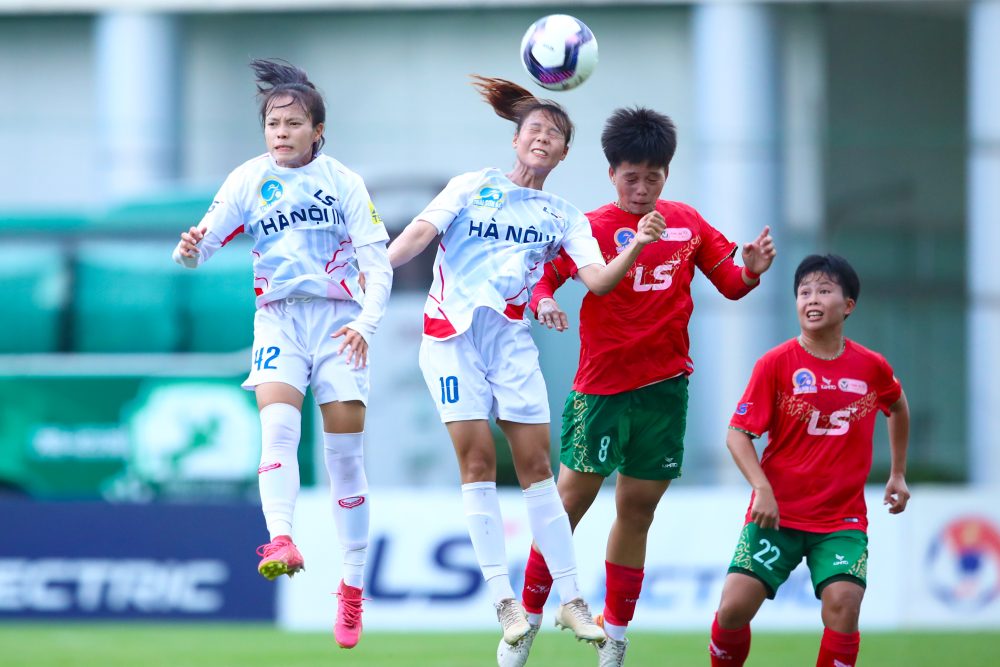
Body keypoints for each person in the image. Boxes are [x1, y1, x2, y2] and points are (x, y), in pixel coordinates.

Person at [387, 77, 666, 652]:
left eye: (554, 134)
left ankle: (572, 599)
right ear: (515, 140)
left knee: (538, 468)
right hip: (450, 337)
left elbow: (598, 281)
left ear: (564, 153)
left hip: (510, 343)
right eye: (534, 129)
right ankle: (504, 600)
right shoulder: (472, 186)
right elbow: (419, 233)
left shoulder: (564, 216)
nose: (542, 137)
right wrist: (371, 276)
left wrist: (636, 245)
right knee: (478, 461)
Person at [500, 107, 776, 667]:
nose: (643, 188)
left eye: (654, 177)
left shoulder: (687, 223)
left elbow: (730, 283)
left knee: (638, 511)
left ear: (666, 174)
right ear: (612, 174)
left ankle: (616, 638)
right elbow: (544, 277)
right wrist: (545, 301)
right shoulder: (592, 226)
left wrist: (750, 269)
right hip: (602, 390)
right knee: (567, 506)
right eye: (632, 177)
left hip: (665, 393)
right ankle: (526, 623)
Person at [172, 59, 392, 649]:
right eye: (273, 123)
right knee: (277, 430)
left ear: (318, 131)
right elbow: (196, 251)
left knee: (344, 457)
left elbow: (378, 265)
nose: (282, 132)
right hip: (278, 320)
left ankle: (351, 587)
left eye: (294, 123)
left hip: (341, 323)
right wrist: (188, 249)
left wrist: (366, 325)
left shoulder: (343, 182)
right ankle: (282, 539)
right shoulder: (247, 179)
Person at [708, 254, 910, 667]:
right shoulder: (775, 363)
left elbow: (897, 405)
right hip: (776, 515)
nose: (811, 299)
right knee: (732, 608)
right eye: (804, 292)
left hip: (840, 520)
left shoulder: (871, 366)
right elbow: (737, 434)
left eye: (823, 290)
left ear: (848, 305)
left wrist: (898, 473)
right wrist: (762, 488)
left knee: (844, 603)